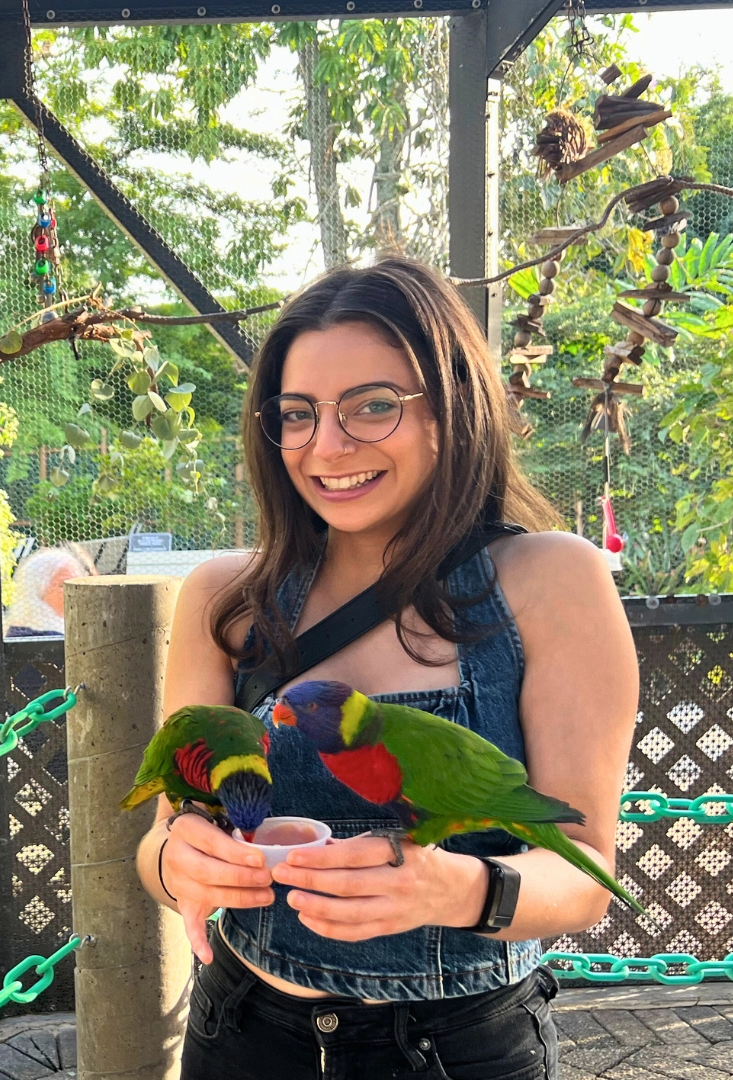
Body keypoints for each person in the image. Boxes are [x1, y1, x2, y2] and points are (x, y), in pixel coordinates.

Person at [134, 259, 637, 1079]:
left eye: (373, 406)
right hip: (243, 1034)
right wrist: (181, 862)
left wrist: (457, 890)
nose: (326, 447)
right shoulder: (224, 599)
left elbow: (584, 875)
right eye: (297, 415)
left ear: (452, 406)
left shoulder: (551, 580)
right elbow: (160, 842)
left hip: (456, 1051)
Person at [4, 544, 95, 636]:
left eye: (77, 584)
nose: (76, 591)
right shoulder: (28, 636)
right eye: (63, 585)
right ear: (39, 589)